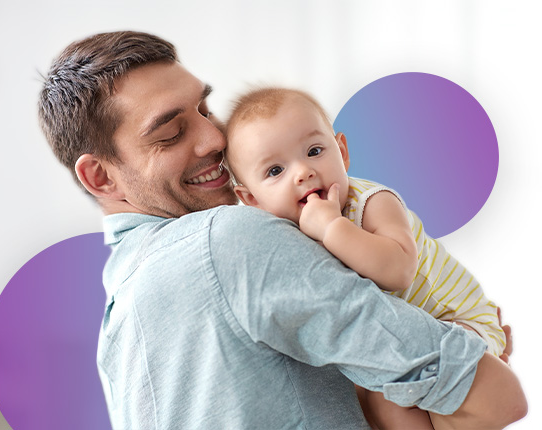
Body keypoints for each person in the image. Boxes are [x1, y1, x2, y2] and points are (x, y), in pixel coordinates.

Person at [38, 31, 527, 429]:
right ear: (100, 177)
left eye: (205, 110)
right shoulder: (232, 240)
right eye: (170, 134)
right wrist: (465, 357)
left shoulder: (119, 319)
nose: (215, 139)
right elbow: (499, 400)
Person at [224, 86, 518, 428]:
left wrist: (333, 226)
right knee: (379, 401)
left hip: (458, 323)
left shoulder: (372, 203)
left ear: (342, 151)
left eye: (314, 151)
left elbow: (398, 271)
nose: (302, 172)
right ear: (251, 200)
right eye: (275, 171)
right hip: (406, 341)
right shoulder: (283, 237)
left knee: (393, 388)